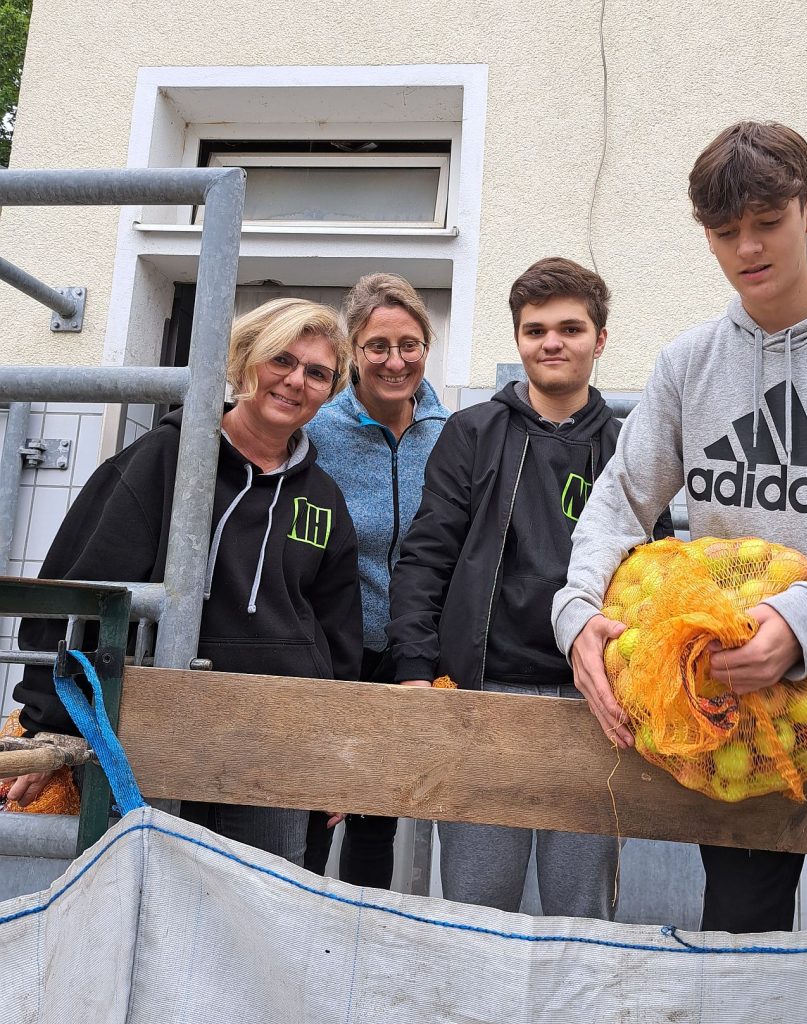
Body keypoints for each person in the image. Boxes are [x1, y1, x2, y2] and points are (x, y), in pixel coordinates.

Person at [553, 121, 807, 933]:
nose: (747, 248)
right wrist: (575, 614)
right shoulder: (687, 362)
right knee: (737, 932)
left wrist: (800, 626)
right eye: (725, 232)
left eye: (766, 223)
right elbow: (619, 500)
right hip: (727, 705)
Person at [6, 298, 363, 866]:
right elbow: (75, 597)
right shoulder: (161, 461)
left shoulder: (324, 498)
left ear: (331, 390)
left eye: (317, 373)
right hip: (153, 736)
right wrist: (47, 727)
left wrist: (335, 752)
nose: (296, 381)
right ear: (246, 359)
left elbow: (339, 637)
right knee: (147, 916)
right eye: (281, 360)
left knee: (258, 925)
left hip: (275, 745)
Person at [386, 257, 671, 919]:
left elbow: (658, 582)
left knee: (580, 913)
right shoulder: (471, 434)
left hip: (594, 705)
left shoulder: (632, 453)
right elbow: (425, 557)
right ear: (517, 340)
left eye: (570, 328)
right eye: (535, 329)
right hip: (485, 697)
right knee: (478, 907)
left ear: (599, 340)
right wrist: (412, 669)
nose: (551, 342)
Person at [304, 273, 449, 884]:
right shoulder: (317, 431)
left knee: (375, 814)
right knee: (314, 806)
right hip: (331, 650)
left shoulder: (451, 433)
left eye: (409, 344)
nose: (395, 361)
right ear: (353, 352)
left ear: (426, 346)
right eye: (378, 347)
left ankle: (362, 949)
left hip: (409, 656)